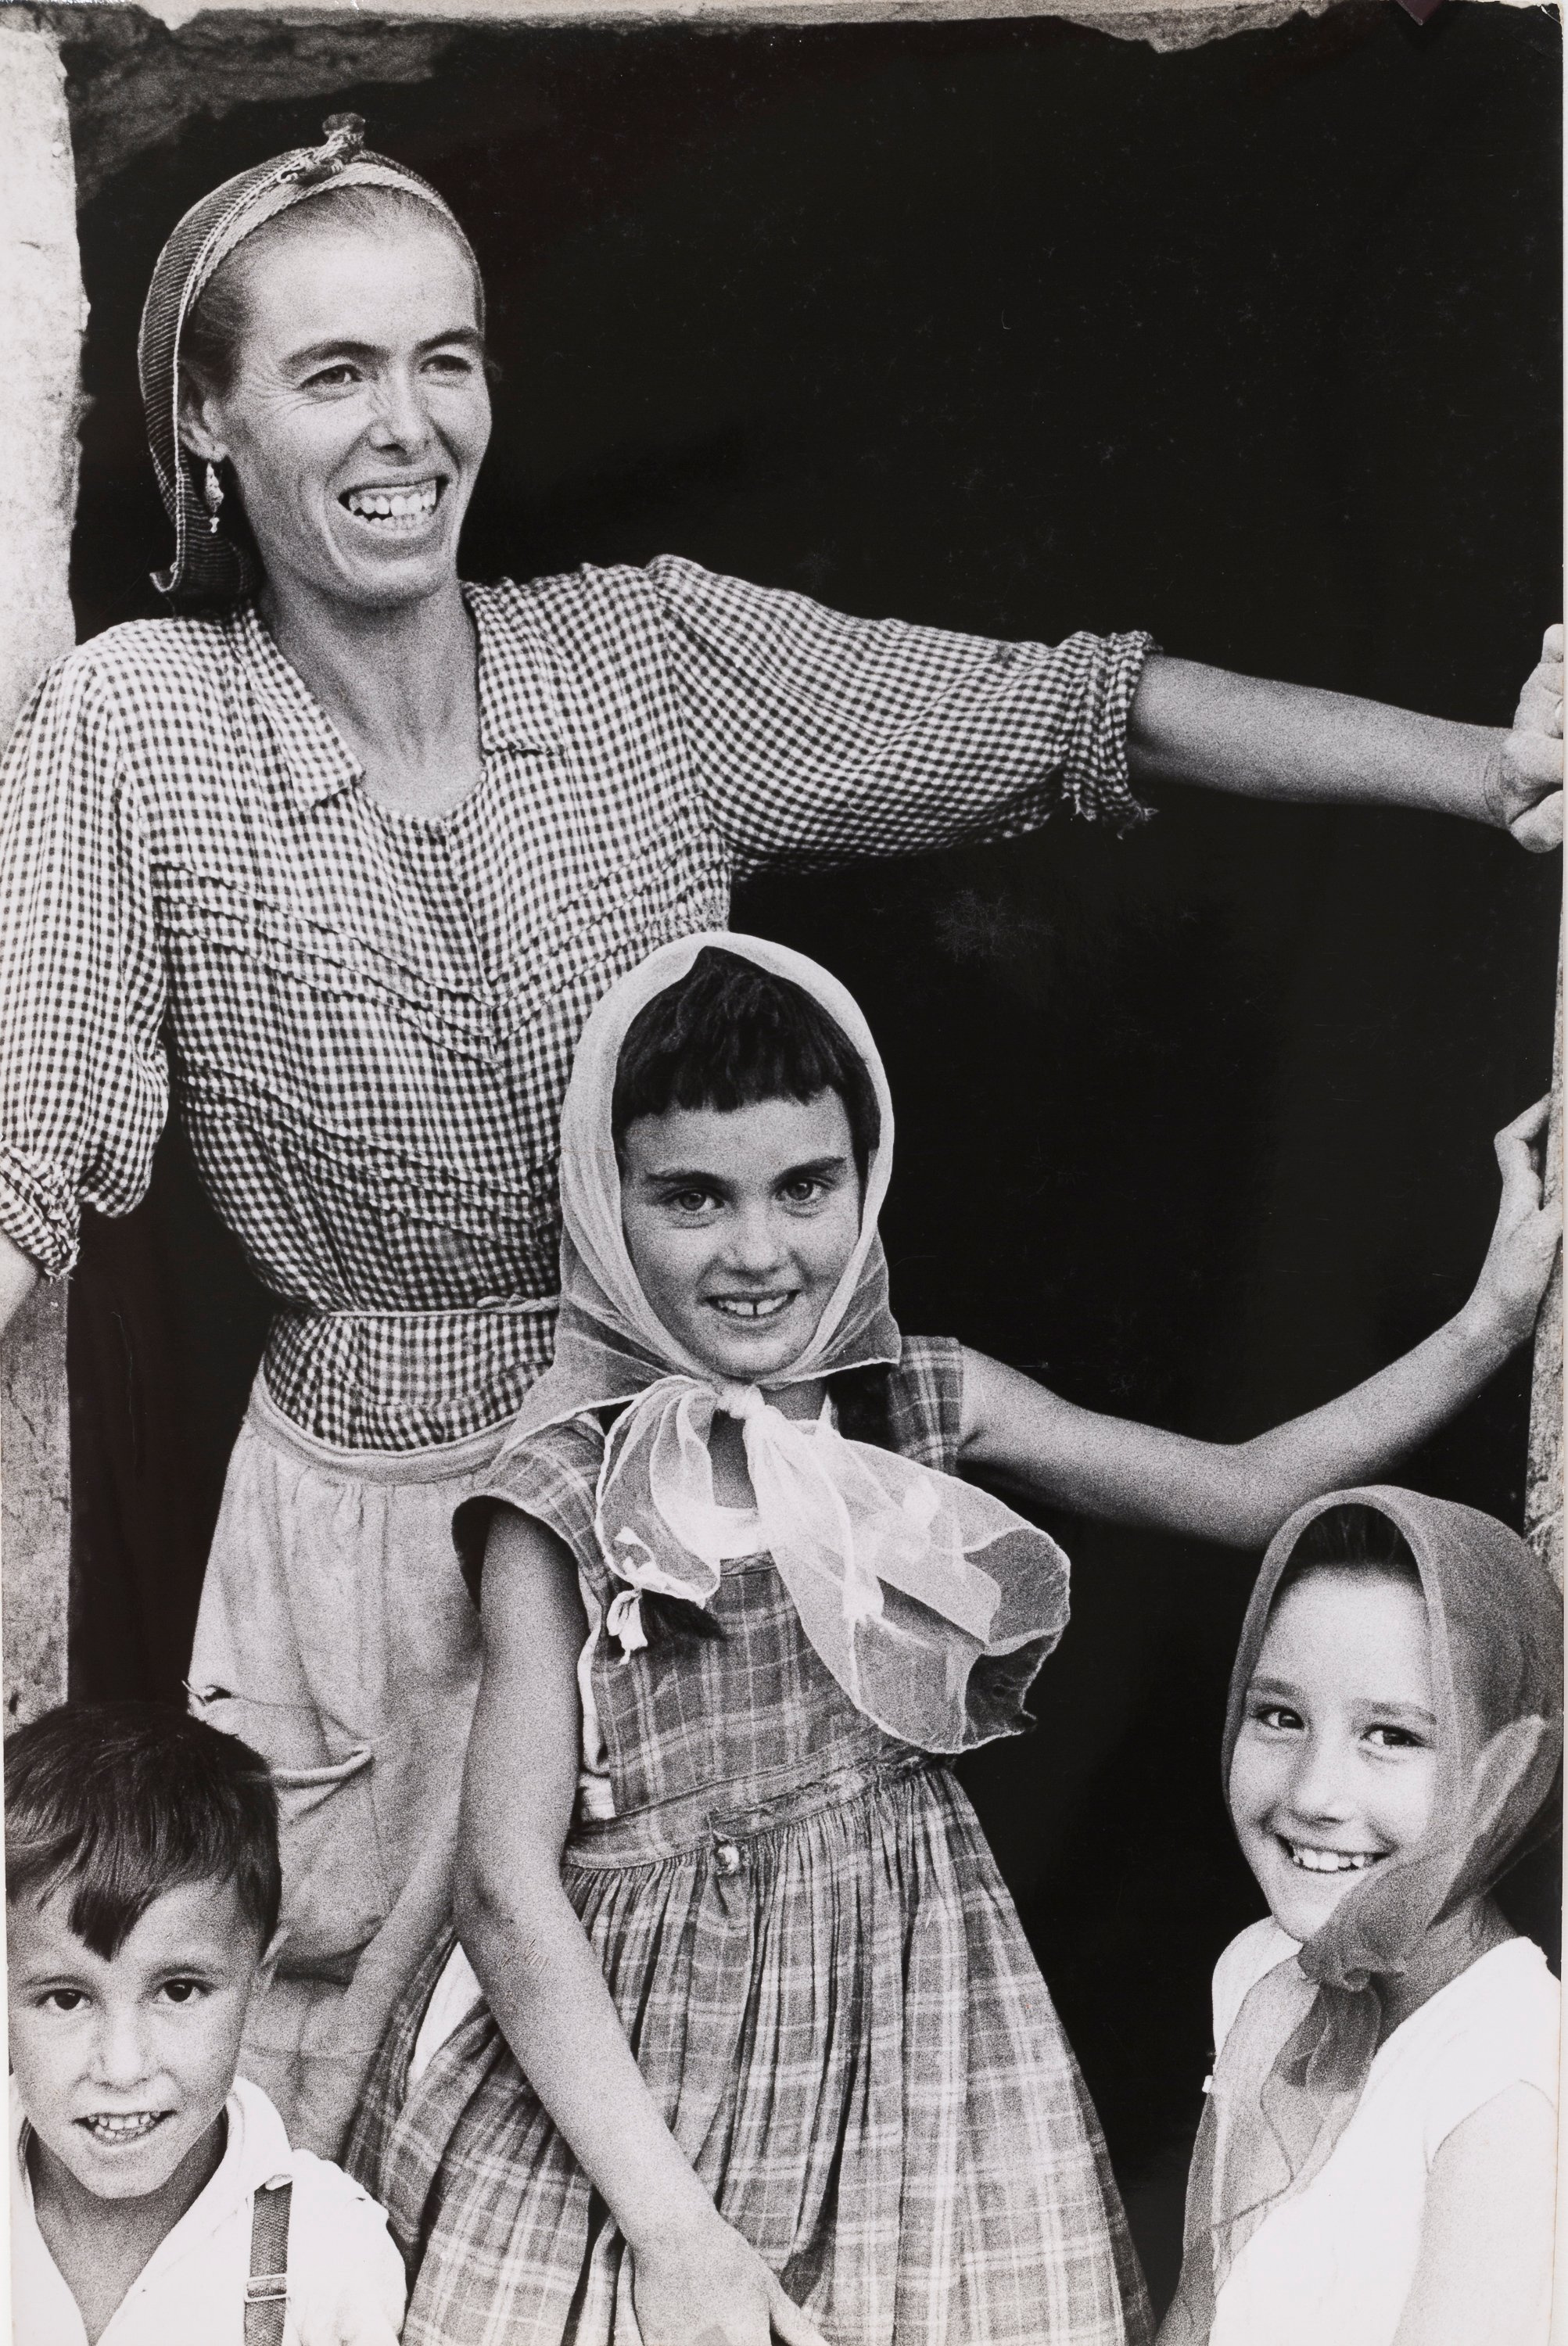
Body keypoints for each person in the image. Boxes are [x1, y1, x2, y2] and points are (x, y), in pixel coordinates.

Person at [0, 113, 1560, 2144]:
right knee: (344, 2125)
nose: (407, 428)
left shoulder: (641, 661)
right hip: (362, 1564)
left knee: (708, 2094)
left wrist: (1494, 776)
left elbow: (1077, 711)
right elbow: (29, 1164)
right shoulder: (144, 730)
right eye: (331, 372)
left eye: (443, 358)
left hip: (702, 1520)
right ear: (207, 420)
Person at [343, 934, 1555, 2346]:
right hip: (640, 2072)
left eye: (807, 1186)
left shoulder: (913, 1402)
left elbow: (1247, 1491)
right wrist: (672, 2234)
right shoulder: (558, 1494)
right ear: (608, 1208)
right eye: (691, 1197)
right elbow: (501, 1884)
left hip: (914, 2040)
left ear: (866, 1178)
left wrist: (1495, 1318)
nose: (758, 1249)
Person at [1157, 1490, 1562, 2346]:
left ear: (1505, 1771)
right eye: (1279, 1717)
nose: (1311, 1793)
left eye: (1391, 1735)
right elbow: (1202, 2313)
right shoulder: (1258, 1968)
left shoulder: (1510, 2066)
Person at [5, 1702, 407, 2346]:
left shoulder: (327, 2254)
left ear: (261, 1977)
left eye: (179, 1990)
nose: (123, 2066)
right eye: (66, 1999)